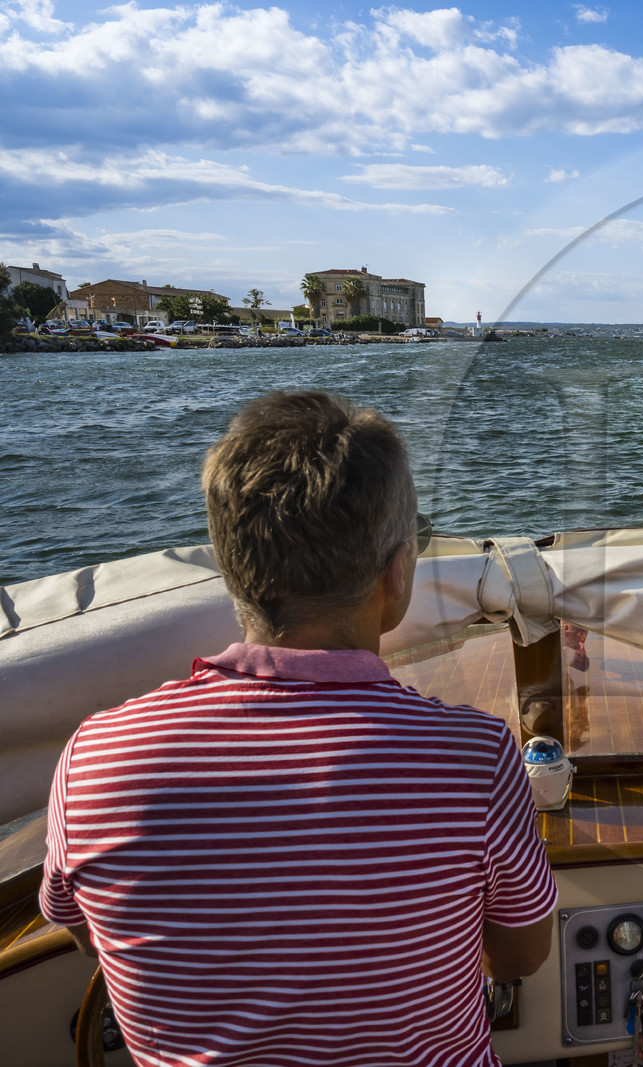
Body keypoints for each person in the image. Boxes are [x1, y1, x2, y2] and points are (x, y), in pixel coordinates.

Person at [41, 391, 556, 1065]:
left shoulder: (95, 761)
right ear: (397, 574)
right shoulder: (473, 758)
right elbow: (521, 953)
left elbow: (87, 934)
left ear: (231, 567)